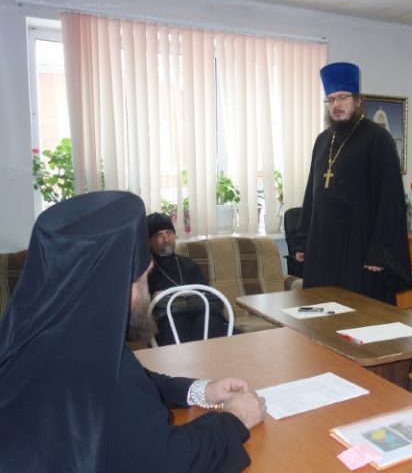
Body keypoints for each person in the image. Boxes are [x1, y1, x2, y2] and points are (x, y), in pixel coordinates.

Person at [0, 191, 266, 472]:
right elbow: (169, 461)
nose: (148, 290)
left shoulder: (46, 331)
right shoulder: (89, 364)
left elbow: (134, 380)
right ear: (115, 285)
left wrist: (201, 391)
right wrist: (235, 418)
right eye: (144, 278)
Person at [294, 62, 412, 304]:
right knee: (320, 310)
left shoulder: (378, 139)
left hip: (358, 249)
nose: (336, 105)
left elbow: (389, 200)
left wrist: (380, 251)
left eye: (342, 97)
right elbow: (311, 194)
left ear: (358, 100)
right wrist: (303, 240)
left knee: (359, 315)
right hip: (322, 250)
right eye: (330, 99)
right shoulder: (323, 140)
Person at [146, 212, 231, 345]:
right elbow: (140, 308)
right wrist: (153, 297)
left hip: (198, 315)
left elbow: (208, 296)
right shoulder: (145, 269)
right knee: (173, 324)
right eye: (159, 235)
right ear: (149, 241)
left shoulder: (188, 264)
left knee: (209, 320)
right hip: (168, 321)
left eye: (169, 233)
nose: (166, 239)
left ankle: (211, 357)